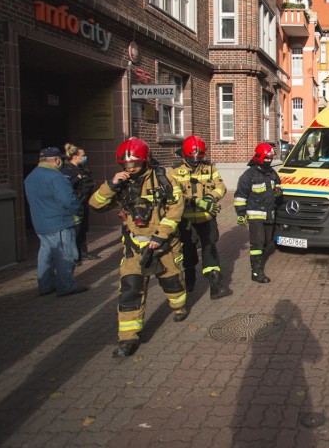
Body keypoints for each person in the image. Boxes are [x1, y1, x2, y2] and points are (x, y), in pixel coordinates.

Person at [89, 137, 187, 358]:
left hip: (163, 245)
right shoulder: (120, 184)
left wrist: (160, 236)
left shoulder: (164, 178)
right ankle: (128, 338)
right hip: (135, 247)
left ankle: (179, 305)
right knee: (131, 289)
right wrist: (112, 185)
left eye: (134, 164)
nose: (130, 169)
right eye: (125, 165)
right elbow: (96, 204)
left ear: (146, 161)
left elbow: (176, 209)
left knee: (171, 281)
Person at [170, 135, 229, 299]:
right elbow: (174, 196)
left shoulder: (210, 168)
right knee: (188, 252)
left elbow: (221, 187)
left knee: (210, 249)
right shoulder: (174, 172)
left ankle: (216, 286)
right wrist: (195, 201)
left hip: (207, 219)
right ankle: (189, 279)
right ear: (184, 155)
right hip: (186, 222)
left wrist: (210, 198)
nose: (196, 161)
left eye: (199, 157)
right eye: (192, 157)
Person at [23, 147, 88, 297]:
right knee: (66, 255)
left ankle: (45, 285)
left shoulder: (31, 176)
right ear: (56, 160)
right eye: (61, 160)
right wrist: (79, 210)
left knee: (45, 255)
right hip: (59, 222)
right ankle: (66, 286)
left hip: (40, 223)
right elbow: (68, 200)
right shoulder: (55, 177)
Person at [234, 143, 282, 283]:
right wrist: (241, 214)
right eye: (266, 158)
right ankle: (256, 272)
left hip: (269, 214)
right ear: (259, 157)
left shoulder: (272, 173)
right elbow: (240, 196)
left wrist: (279, 191)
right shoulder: (248, 175)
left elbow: (277, 184)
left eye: (270, 158)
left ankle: (258, 263)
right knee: (258, 243)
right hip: (255, 215)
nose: (269, 161)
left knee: (268, 243)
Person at [61, 143, 98, 262]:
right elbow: (66, 187)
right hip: (74, 204)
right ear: (75, 156)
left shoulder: (83, 170)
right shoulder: (67, 170)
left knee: (83, 228)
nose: (84, 157)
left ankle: (83, 251)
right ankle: (74, 256)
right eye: (82, 155)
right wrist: (77, 178)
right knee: (75, 231)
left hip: (83, 203)